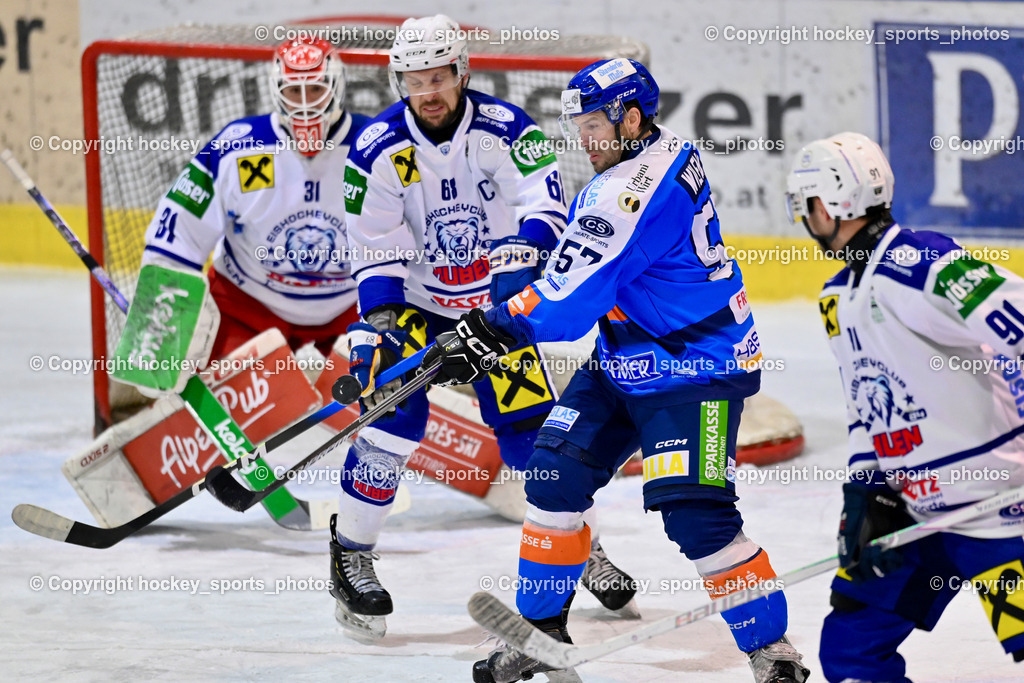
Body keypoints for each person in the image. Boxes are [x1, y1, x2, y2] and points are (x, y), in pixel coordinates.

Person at [423, 58, 810, 683]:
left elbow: (572, 304)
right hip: (623, 358)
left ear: (631, 118)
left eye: (594, 124)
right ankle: (540, 633)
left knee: (695, 514)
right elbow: (587, 261)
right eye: (577, 124)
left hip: (697, 368)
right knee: (551, 477)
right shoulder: (655, 154)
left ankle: (773, 651)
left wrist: (495, 326)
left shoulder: (632, 191)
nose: (583, 137)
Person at [332, 14, 638, 641]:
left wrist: (513, 276)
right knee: (393, 422)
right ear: (399, 82)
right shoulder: (374, 148)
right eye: (416, 81)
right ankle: (351, 553)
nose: (430, 91)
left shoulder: (508, 131)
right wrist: (381, 323)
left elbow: (545, 206)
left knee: (534, 436)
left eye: (439, 76)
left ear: (462, 70)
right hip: (418, 306)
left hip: (496, 309)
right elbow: (374, 242)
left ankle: (578, 545)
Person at [785, 132, 1024, 682]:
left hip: (998, 509)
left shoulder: (922, 264)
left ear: (830, 204)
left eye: (808, 204)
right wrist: (865, 490)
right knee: (851, 654)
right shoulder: (836, 298)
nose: (804, 218)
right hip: (914, 514)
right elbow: (865, 405)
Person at [141, 36, 367, 361]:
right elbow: (177, 236)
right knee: (220, 405)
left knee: (376, 405)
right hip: (248, 308)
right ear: (277, 92)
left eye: (316, 89)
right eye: (294, 91)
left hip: (351, 312)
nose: (305, 104)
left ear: (337, 87)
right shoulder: (238, 147)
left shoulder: (373, 148)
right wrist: (158, 322)